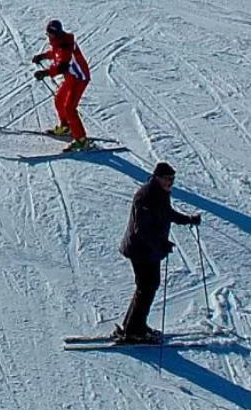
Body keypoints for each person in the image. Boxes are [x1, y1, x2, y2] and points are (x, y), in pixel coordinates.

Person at [112, 162, 201, 343]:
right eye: (167, 179)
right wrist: (160, 244)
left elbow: (167, 213)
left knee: (148, 287)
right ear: (157, 177)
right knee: (146, 287)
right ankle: (134, 330)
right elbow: (140, 229)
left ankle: (135, 326)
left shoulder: (160, 193)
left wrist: (188, 219)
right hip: (140, 249)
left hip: (149, 250)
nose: (171, 182)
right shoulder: (145, 196)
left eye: (173, 179)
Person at [32, 19, 93, 150]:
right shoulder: (60, 41)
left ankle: (81, 140)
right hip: (71, 77)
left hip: (79, 79)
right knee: (59, 99)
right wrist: (42, 56)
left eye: (49, 34)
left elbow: (62, 67)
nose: (48, 36)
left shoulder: (64, 47)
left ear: (55, 34)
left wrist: (45, 73)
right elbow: (55, 53)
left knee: (69, 108)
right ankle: (66, 127)